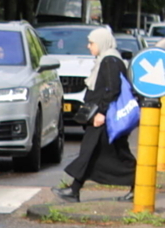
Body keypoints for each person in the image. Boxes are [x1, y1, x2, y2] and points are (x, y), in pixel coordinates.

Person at [53, 27, 136, 202]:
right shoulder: (106, 60)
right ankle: (74, 190)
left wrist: (101, 113)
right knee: (104, 153)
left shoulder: (110, 61)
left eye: (92, 43)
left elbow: (112, 89)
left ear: (101, 43)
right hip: (103, 116)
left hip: (104, 117)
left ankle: (74, 190)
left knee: (95, 151)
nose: (89, 46)